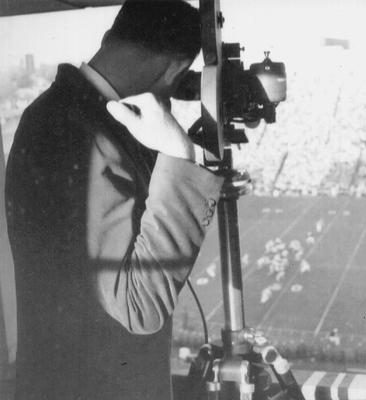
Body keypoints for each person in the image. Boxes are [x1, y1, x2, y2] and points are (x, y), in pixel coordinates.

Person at [5, 1, 224, 399]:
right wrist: (178, 155)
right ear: (174, 70)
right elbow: (136, 306)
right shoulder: (84, 136)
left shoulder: (57, 114)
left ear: (110, 37)